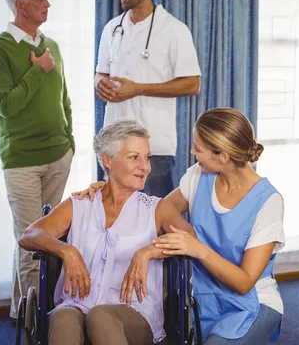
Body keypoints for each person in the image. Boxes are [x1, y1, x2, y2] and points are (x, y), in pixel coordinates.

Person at [78, 108, 285, 344]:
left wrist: (198, 249)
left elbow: (245, 282)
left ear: (223, 157)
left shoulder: (268, 202)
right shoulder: (199, 176)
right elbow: (151, 215)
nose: (192, 152)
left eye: (198, 148)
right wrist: (107, 190)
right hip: (206, 304)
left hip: (253, 305)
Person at [19, 120, 195, 345]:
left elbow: (191, 240)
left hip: (134, 313)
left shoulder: (157, 208)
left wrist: (149, 252)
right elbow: (29, 235)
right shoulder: (80, 204)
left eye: (147, 157)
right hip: (78, 304)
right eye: (134, 157)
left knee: (100, 316)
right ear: (107, 160)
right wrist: (66, 250)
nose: (145, 166)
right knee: (63, 317)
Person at [0, 0, 74, 324]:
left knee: (43, 236)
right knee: (32, 242)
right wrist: (37, 71)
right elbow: (6, 105)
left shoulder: (52, 46)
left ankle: (20, 311)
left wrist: (70, 142)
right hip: (21, 161)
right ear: (21, 5)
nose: (47, 3)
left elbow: (63, 99)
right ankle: (36, 322)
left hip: (58, 155)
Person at [95, 0, 201, 198]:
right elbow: (100, 73)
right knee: (113, 217)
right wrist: (99, 83)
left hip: (154, 147)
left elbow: (192, 84)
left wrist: (138, 88)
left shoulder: (174, 30)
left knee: (155, 221)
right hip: (113, 145)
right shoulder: (112, 28)